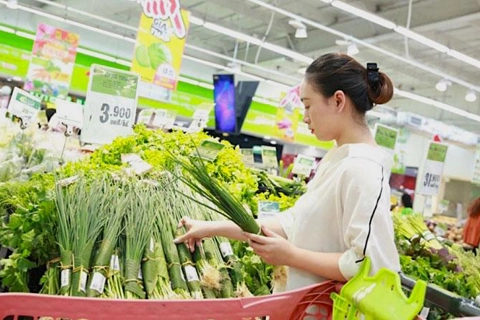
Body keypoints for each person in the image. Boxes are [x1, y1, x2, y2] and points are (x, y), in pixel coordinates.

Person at [174, 53, 401, 291]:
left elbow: (368, 263)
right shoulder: (337, 158)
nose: (305, 118)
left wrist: (291, 256)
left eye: (308, 105)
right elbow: (291, 224)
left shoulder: (363, 169)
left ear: (338, 101)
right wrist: (213, 227)